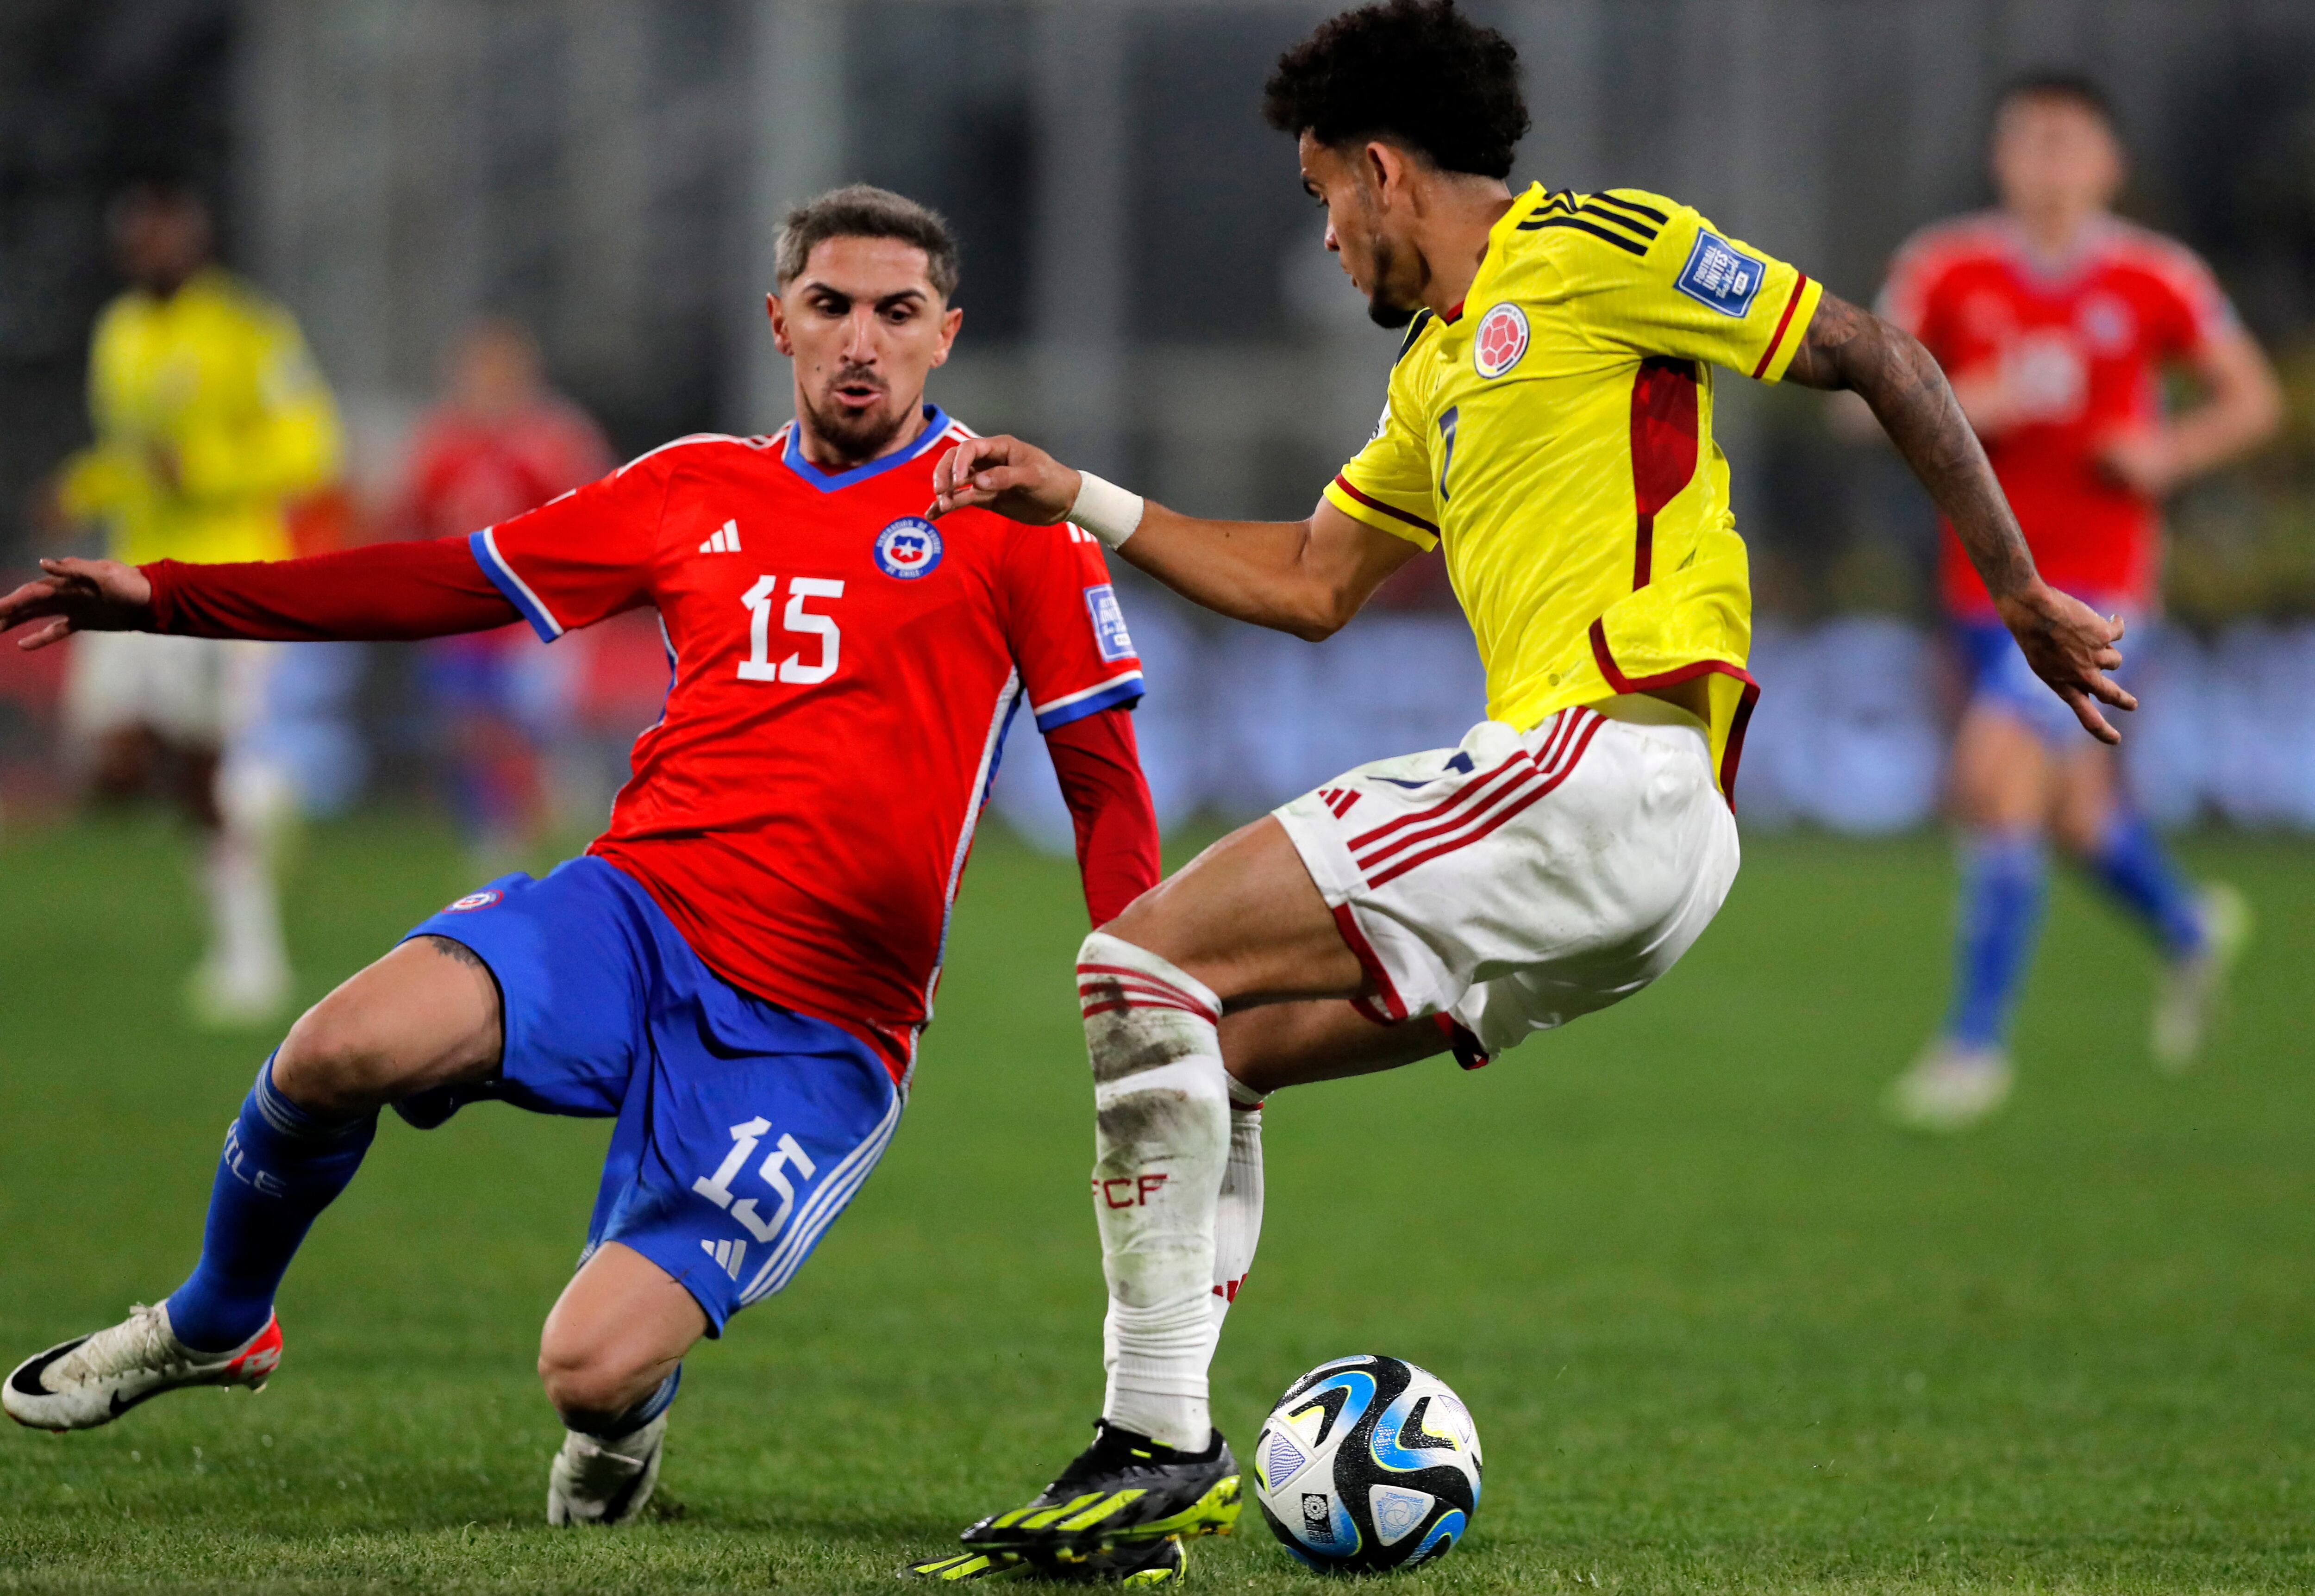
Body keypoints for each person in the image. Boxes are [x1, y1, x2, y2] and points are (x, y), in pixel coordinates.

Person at [910, 1, 2128, 1576]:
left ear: (1384, 170)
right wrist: (1081, 494)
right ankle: (1155, 1448)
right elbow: (1308, 579)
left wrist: (2016, 587)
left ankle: (1153, 1445)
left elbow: (1873, 351)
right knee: (1223, 1045)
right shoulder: (1432, 375)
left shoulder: (1603, 246)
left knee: (1136, 959)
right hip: (1632, 855)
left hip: (1611, 765)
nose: (1329, 238)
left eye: (1322, 198)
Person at [0, 186, 1170, 1559]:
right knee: (337, 1048)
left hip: (820, 1025)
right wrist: (172, 594)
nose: (862, 341)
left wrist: (1142, 1005)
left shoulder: (1018, 516)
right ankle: (213, 1318)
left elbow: (1104, 784)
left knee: (586, 1364)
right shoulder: (691, 488)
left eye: (897, 314)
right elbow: (443, 583)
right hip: (634, 917)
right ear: (778, 319)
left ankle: (627, 1417)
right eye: (833, 307)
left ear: (945, 334)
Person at [1875, 74, 2281, 1132]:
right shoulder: (1942, 268)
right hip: (1979, 586)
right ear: (2000, 158)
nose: (2049, 163)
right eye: (2030, 142)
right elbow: (1854, 403)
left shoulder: (2156, 278)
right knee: (2071, 812)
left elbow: (2253, 397)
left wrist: (2168, 449)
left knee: (1989, 773)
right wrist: (1957, 405)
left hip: (2099, 588)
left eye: (2070, 144)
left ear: (2108, 164)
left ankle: (1973, 1046)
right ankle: (2187, 923)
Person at [44, 176, 344, 1025]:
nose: (155, 252)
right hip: (129, 573)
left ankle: (251, 958)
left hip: (224, 579)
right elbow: (132, 454)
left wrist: (207, 466)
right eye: (142, 239)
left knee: (200, 772)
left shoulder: (248, 329)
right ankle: (263, 795)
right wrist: (79, 486)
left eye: (168, 236)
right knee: (111, 765)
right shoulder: (120, 332)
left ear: (197, 240)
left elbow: (314, 441)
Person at [392, 318, 615, 862]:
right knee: (467, 725)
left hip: (532, 613)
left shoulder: (553, 439)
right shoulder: (443, 442)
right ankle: (490, 830)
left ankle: (540, 816)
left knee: (523, 726)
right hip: (465, 613)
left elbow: (599, 516)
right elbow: (409, 515)